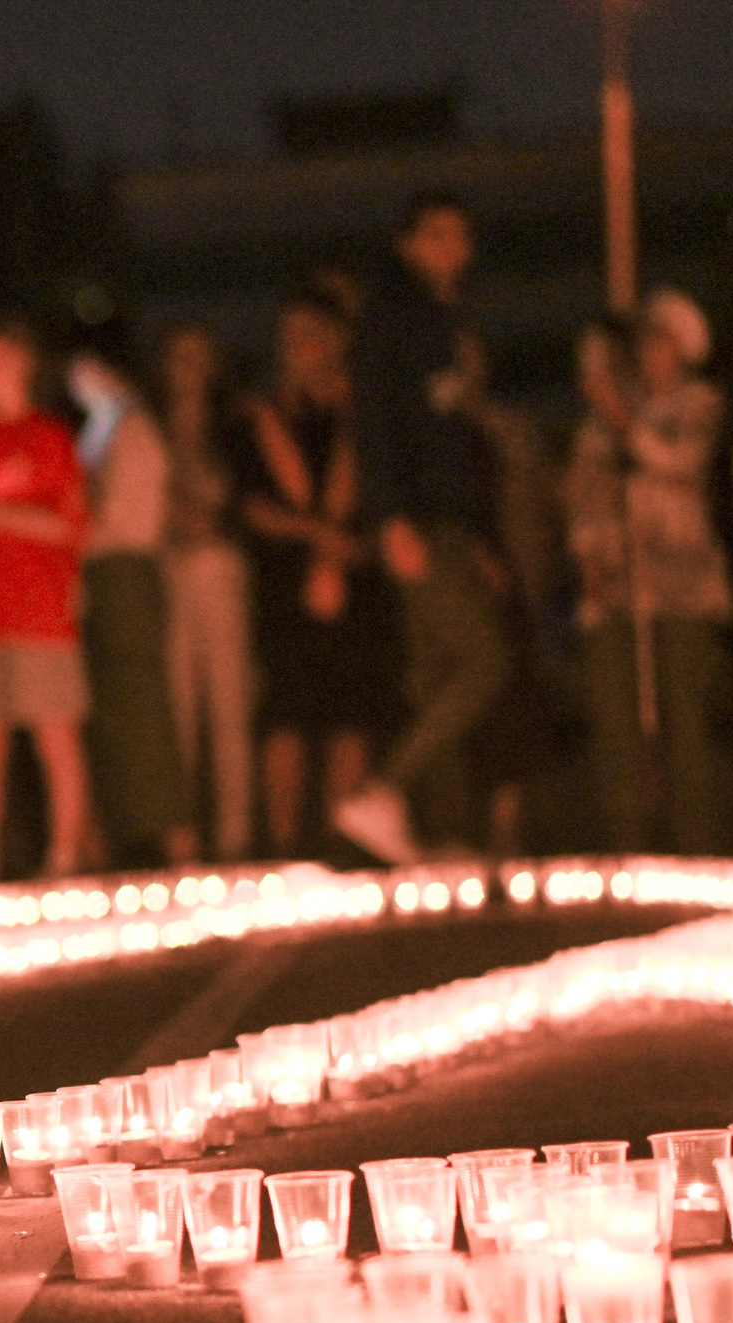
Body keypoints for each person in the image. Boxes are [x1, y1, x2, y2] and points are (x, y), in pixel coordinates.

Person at [337, 190, 511, 864]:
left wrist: (474, 535)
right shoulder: (392, 318)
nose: (452, 247)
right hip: (413, 521)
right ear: (407, 242)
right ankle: (380, 790)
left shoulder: (442, 321)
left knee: (435, 674)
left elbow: (449, 442)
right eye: (436, 233)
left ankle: (441, 830)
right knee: (482, 659)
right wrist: (388, 519)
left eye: (460, 234)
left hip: (447, 521)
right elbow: (375, 426)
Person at [235, 288, 401, 856]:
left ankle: (340, 836)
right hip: (285, 580)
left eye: (308, 336)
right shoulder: (264, 413)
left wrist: (340, 552)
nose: (295, 348)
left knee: (349, 709)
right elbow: (254, 504)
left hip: (356, 576)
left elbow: (368, 488)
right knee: (287, 707)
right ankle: (282, 842)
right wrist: (318, 540)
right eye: (289, 338)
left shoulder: (364, 415)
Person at [567, 294, 733, 854]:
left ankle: (695, 845)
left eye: (661, 341)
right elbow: (583, 493)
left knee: (684, 714)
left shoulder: (700, 403)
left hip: (680, 584)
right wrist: (590, 561)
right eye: (644, 341)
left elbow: (679, 464)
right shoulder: (607, 417)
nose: (649, 352)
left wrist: (620, 415)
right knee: (617, 718)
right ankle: (627, 844)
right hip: (615, 582)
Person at [0, 315, 93, 882]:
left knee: (55, 736)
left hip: (40, 611)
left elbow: (75, 528)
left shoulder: (50, 437)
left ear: (23, 363)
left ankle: (65, 856)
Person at [68, 349, 192, 867]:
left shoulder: (134, 430)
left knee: (141, 703)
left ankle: (172, 835)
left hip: (125, 571)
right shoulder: (102, 430)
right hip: (104, 572)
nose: (81, 382)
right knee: (118, 710)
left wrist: (67, 534)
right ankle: (134, 833)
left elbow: (125, 516)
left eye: (91, 371)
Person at [155, 325, 257, 862]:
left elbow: (244, 498)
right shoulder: (150, 426)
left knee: (228, 699)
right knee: (177, 704)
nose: (187, 368)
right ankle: (182, 841)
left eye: (198, 357)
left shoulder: (234, 425)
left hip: (218, 565)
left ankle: (236, 836)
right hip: (168, 570)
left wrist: (206, 515)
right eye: (177, 356)